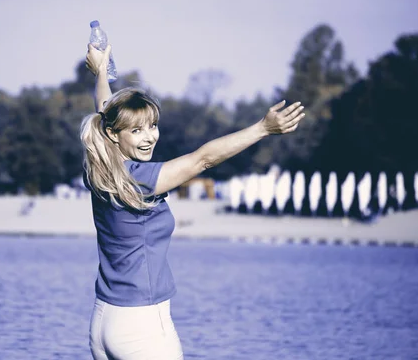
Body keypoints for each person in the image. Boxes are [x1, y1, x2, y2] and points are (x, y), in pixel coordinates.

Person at [80, 43, 305, 359]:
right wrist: (262, 128)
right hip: (141, 325)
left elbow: (105, 111)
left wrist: (101, 71)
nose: (149, 137)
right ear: (116, 135)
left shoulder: (99, 166)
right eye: (137, 130)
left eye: (153, 126)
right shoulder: (141, 179)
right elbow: (204, 160)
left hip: (103, 320)